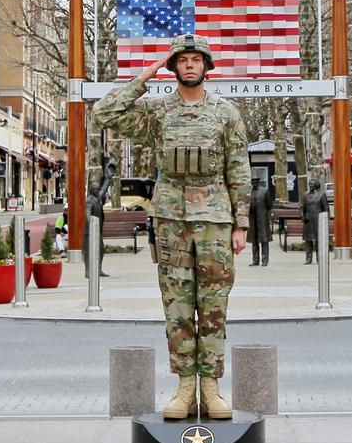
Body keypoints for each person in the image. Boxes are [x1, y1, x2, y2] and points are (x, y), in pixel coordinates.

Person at [93, 33, 250, 419]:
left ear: (206, 66)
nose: (190, 65)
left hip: (214, 221)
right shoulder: (158, 112)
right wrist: (146, 74)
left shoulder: (226, 113)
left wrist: (241, 224)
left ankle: (210, 388)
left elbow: (239, 169)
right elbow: (104, 112)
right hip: (171, 222)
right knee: (177, 307)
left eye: (196, 60)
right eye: (182, 60)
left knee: (213, 306)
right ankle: (184, 388)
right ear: (173, 66)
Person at [247, 179, 273, 267]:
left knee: (264, 240)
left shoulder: (264, 191)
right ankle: (255, 260)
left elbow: (269, 205)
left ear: (258, 181)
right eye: (253, 181)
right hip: (252, 218)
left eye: (256, 181)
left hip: (262, 219)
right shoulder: (249, 191)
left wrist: (267, 218)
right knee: (254, 241)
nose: (254, 183)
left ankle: (265, 260)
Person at [302, 181, 328, 263]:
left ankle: (319, 258)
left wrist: (325, 220)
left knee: (319, 240)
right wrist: (303, 217)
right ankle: (308, 259)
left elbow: (326, 208)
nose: (310, 185)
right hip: (308, 220)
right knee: (308, 240)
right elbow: (302, 207)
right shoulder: (305, 195)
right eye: (309, 184)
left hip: (318, 220)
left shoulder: (321, 195)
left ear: (316, 185)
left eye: (312, 184)